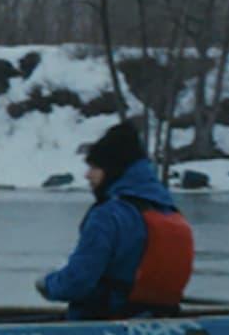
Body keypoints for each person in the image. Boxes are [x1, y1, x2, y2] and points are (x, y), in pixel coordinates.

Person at [38, 118, 193, 319]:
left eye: (94, 167)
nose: (87, 175)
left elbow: (76, 282)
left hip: (103, 325)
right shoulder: (171, 212)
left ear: (112, 170)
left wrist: (48, 284)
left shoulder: (108, 216)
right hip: (160, 319)